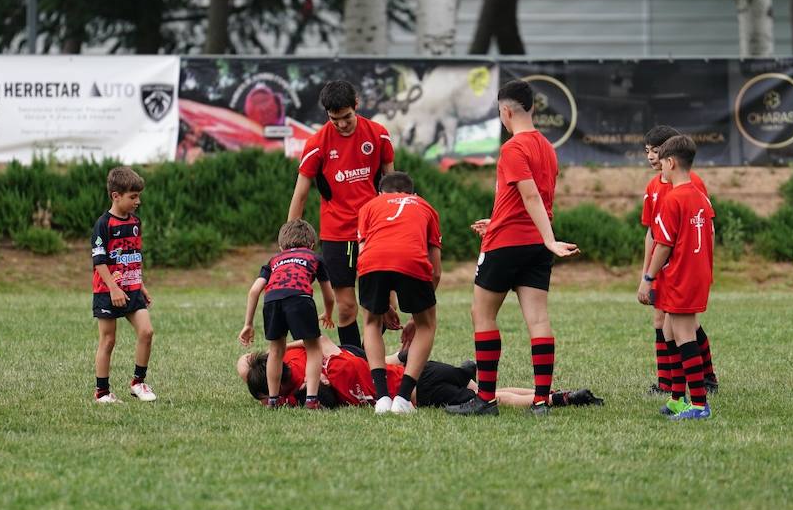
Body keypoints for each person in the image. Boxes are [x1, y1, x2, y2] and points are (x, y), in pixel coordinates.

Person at [448, 79, 579, 417]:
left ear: (505, 111)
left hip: (508, 243)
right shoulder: (547, 148)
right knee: (537, 319)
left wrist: (543, 237)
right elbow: (530, 201)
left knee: (482, 314)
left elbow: (531, 194)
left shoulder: (512, 148)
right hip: (534, 243)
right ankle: (540, 401)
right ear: (531, 108)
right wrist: (532, 235)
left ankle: (486, 398)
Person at [287, 80, 395, 352]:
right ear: (327, 115)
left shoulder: (379, 135)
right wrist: (289, 242)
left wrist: (395, 223)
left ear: (356, 105)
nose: (343, 124)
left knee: (379, 305)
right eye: (336, 120)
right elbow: (300, 194)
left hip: (374, 232)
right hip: (337, 234)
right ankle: (354, 360)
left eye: (347, 117)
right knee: (346, 307)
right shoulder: (317, 144)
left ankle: (369, 357)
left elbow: (391, 184)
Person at [237, 338, 604, 411]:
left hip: (417, 389)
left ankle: (556, 398)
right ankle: (554, 393)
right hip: (417, 372)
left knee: (492, 399)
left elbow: (245, 367)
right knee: (489, 389)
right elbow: (244, 365)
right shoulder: (307, 359)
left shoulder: (301, 390)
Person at [637, 135, 715, 420]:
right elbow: (711, 236)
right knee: (669, 330)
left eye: (661, 161)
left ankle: (698, 404)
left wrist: (648, 277)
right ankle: (676, 397)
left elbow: (663, 244)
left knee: (683, 334)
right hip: (693, 274)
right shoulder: (700, 197)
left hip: (680, 275)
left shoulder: (673, 199)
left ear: (670, 162)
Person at [356, 171, 442, 415]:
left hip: (372, 262)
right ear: (413, 194)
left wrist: (381, 305)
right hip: (412, 261)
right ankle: (403, 398)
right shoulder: (426, 207)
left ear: (380, 193)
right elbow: (435, 271)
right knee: (427, 326)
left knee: (371, 323)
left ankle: (382, 397)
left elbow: (363, 254)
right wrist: (417, 317)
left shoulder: (370, 205)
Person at [238, 219, 335, 408]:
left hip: (272, 300)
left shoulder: (273, 260)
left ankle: (273, 399)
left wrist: (248, 324)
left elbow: (254, 290)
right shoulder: (315, 257)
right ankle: (311, 400)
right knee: (313, 348)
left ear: (281, 246)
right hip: (300, 298)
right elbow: (329, 295)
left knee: (275, 350)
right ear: (312, 245)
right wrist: (328, 313)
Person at [91, 166, 156, 403]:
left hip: (132, 288)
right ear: (115, 196)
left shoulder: (136, 223)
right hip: (107, 291)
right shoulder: (103, 225)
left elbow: (133, 257)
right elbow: (99, 262)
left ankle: (138, 383)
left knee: (147, 332)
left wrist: (141, 284)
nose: (137, 201)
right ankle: (102, 392)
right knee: (108, 340)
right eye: (133, 196)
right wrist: (113, 288)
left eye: (138, 196)